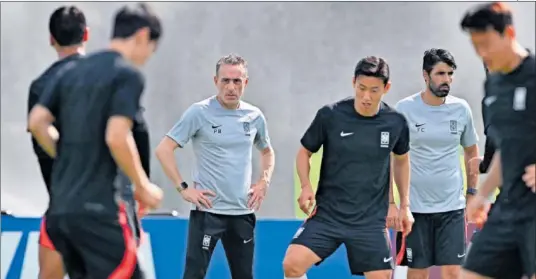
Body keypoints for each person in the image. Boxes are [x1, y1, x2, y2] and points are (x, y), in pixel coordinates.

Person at [27, 4, 163, 278]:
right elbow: (117, 136)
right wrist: (143, 185)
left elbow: (37, 122)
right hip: (99, 214)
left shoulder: (67, 72)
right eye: (152, 48)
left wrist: (67, 154)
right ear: (142, 36)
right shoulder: (127, 75)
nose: (148, 57)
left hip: (60, 214)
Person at [282, 56, 414, 279]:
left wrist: (404, 205)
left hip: (370, 220)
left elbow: (401, 160)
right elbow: (304, 152)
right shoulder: (330, 115)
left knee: (381, 277)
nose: (366, 96)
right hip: (328, 215)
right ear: (353, 82)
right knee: (292, 264)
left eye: (374, 90)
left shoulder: (396, 122)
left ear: (386, 88)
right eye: (361, 88)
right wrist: (305, 186)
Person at [155, 53, 275, 279]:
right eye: (225, 81)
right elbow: (164, 149)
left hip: (242, 213)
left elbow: (267, 151)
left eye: (237, 81)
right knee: (193, 275)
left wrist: (263, 181)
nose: (231, 87)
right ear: (215, 81)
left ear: (245, 83)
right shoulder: (199, 112)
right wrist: (184, 188)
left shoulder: (254, 116)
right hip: (208, 213)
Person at [459, 2, 536, 279]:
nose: (482, 53)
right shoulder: (494, 86)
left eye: (487, 44)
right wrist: (481, 195)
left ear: (510, 33)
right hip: (508, 207)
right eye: (475, 45)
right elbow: (507, 149)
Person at [393, 48, 479, 279]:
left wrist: (472, 192)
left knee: (453, 273)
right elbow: (392, 158)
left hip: (452, 207)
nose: (447, 80)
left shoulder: (461, 109)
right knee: (418, 273)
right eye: (440, 73)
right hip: (415, 210)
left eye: (450, 74)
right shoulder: (404, 109)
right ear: (425, 75)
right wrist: (395, 203)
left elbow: (471, 151)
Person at [26, 5, 88, 279]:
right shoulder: (110, 78)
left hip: (61, 206)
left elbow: (41, 148)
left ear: (51, 38)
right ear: (86, 34)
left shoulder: (41, 86)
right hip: (106, 208)